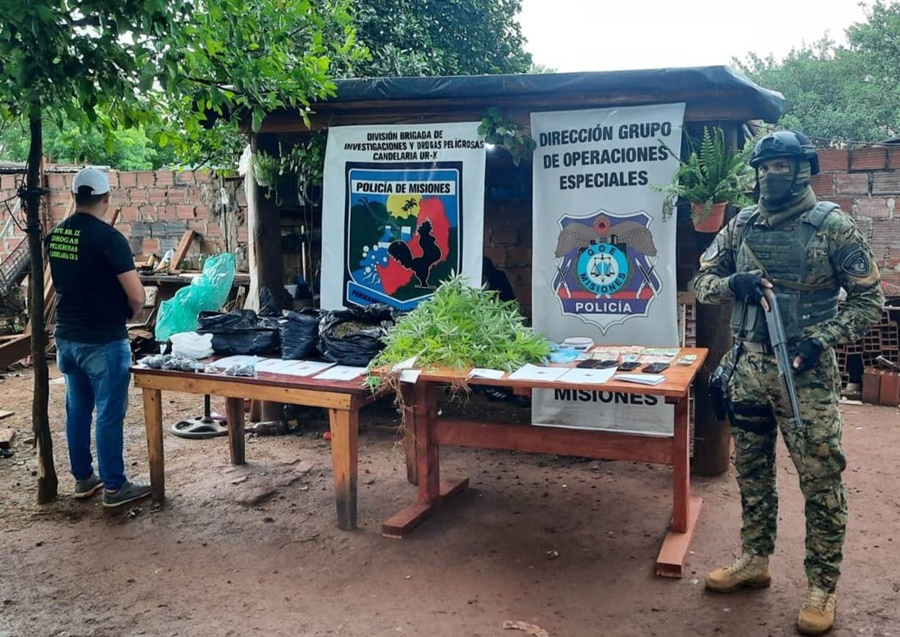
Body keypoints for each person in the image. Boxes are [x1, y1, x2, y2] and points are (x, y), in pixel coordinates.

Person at [693, 131, 883, 635]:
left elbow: (870, 301)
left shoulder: (832, 226)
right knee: (752, 470)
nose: (770, 175)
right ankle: (755, 559)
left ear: (802, 169)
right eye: (764, 166)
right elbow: (702, 282)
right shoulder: (741, 225)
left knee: (820, 478)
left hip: (806, 375)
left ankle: (822, 586)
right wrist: (733, 283)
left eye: (781, 165)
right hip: (748, 368)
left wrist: (822, 339)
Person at [48, 167, 151, 508]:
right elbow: (137, 296)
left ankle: (83, 479)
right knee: (108, 413)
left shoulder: (56, 236)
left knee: (78, 409)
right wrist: (132, 313)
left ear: (74, 196)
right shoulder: (108, 239)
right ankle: (115, 488)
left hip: (67, 337)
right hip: (103, 340)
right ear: (106, 198)